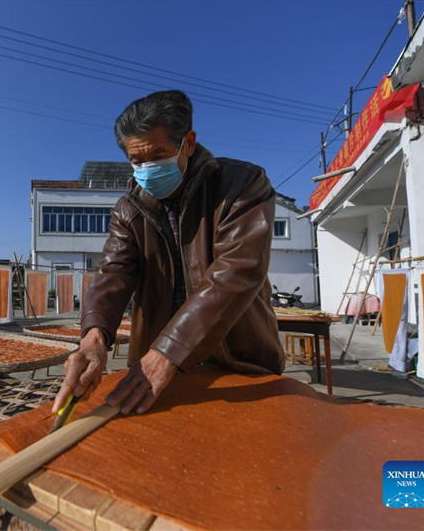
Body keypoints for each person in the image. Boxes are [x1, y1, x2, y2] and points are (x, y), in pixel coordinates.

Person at [52, 90, 285, 417]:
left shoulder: (241, 185)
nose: (147, 168)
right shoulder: (129, 208)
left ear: (187, 144)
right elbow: (113, 271)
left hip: (237, 358)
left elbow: (236, 273)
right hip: (155, 361)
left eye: (158, 155)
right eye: (137, 161)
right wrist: (94, 337)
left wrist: (169, 352)